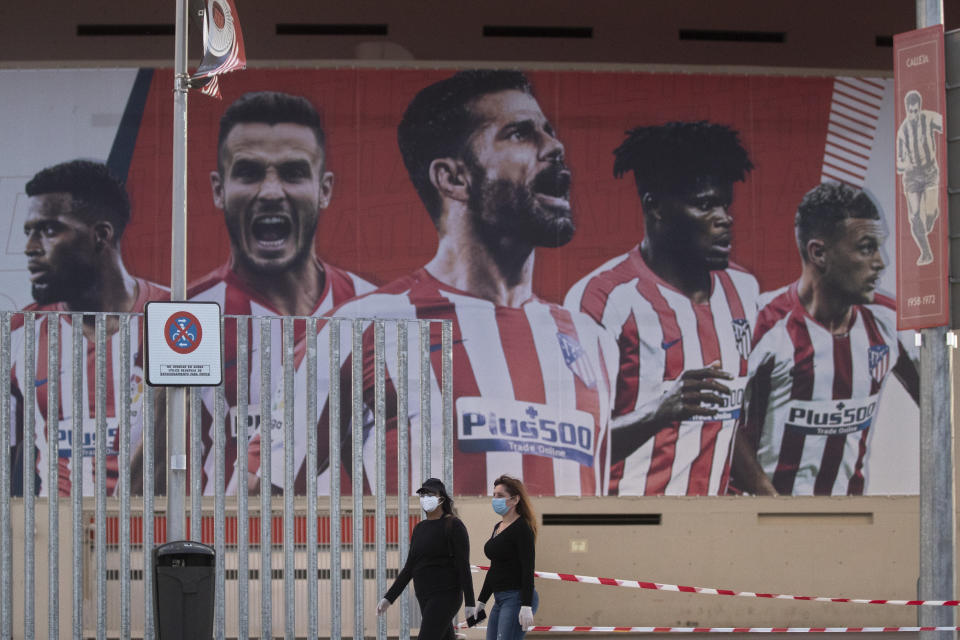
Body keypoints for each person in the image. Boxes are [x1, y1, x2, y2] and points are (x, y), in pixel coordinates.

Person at [255, 69, 618, 497]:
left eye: (549, 131)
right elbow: (256, 498)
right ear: (453, 177)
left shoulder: (592, 342)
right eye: (521, 134)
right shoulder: (358, 328)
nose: (555, 148)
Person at [183, 90, 375, 495]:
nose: (271, 192)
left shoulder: (373, 309)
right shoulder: (191, 317)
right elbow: (154, 460)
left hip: (347, 548)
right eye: (250, 172)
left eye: (292, 172)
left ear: (324, 190)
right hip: (234, 545)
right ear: (219, 190)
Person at [564, 121, 759, 496]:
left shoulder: (743, 290)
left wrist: (772, 501)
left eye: (724, 203)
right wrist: (660, 412)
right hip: (629, 524)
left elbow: (727, 424)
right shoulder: (603, 299)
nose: (725, 218)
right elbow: (573, 443)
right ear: (655, 207)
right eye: (705, 204)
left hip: (714, 530)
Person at [732, 182, 919, 496]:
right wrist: (772, 505)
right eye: (866, 247)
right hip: (760, 520)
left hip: (845, 519)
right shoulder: (761, 323)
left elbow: (940, 403)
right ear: (818, 253)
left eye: (879, 246)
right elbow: (722, 424)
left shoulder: (890, 321)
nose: (881, 261)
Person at [11, 159, 168, 496]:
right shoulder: (19, 333)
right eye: (29, 232)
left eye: (49, 230)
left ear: (101, 236)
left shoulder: (175, 320)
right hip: (59, 537)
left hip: (153, 532)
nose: (31, 248)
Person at [376, 477, 475, 640]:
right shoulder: (420, 528)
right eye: (422, 495)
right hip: (424, 595)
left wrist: (470, 603)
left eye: (430, 494)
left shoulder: (454, 525)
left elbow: (463, 566)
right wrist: (389, 597)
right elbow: (410, 568)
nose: (425, 498)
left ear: (441, 498)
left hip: (446, 595)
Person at [476, 475, 538, 640]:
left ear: (515, 499)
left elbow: (528, 568)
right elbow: (495, 567)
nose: (495, 499)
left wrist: (526, 604)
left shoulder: (523, 529)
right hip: (500, 598)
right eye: (494, 495)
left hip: (516, 597)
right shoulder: (498, 527)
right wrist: (482, 601)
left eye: (500, 495)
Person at [895, 90, 943, 266]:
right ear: (907, 110)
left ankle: (930, 219)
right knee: (914, 215)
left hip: (930, 171)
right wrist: (906, 165)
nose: (914, 115)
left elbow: (946, 123)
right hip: (912, 176)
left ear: (920, 108)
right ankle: (926, 252)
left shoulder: (929, 118)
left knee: (931, 212)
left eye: (916, 110)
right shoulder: (902, 131)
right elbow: (899, 163)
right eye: (910, 111)